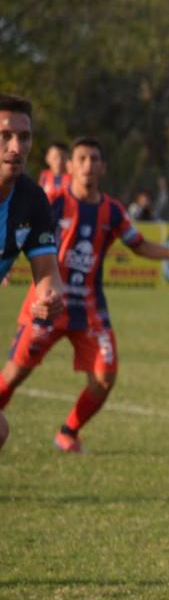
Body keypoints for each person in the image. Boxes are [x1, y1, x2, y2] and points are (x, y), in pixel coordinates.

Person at [0, 136, 169, 454]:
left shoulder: (114, 211)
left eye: (94, 159)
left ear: (103, 167)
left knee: (105, 376)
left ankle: (68, 432)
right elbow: (16, 234)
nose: (88, 165)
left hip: (89, 310)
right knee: (13, 375)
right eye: (81, 159)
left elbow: (139, 244)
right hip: (46, 305)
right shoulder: (50, 200)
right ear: (69, 166)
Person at [0, 94, 65, 453]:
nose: (16, 146)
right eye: (5, 135)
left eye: (24, 138)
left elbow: (46, 270)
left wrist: (49, 294)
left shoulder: (32, 200)